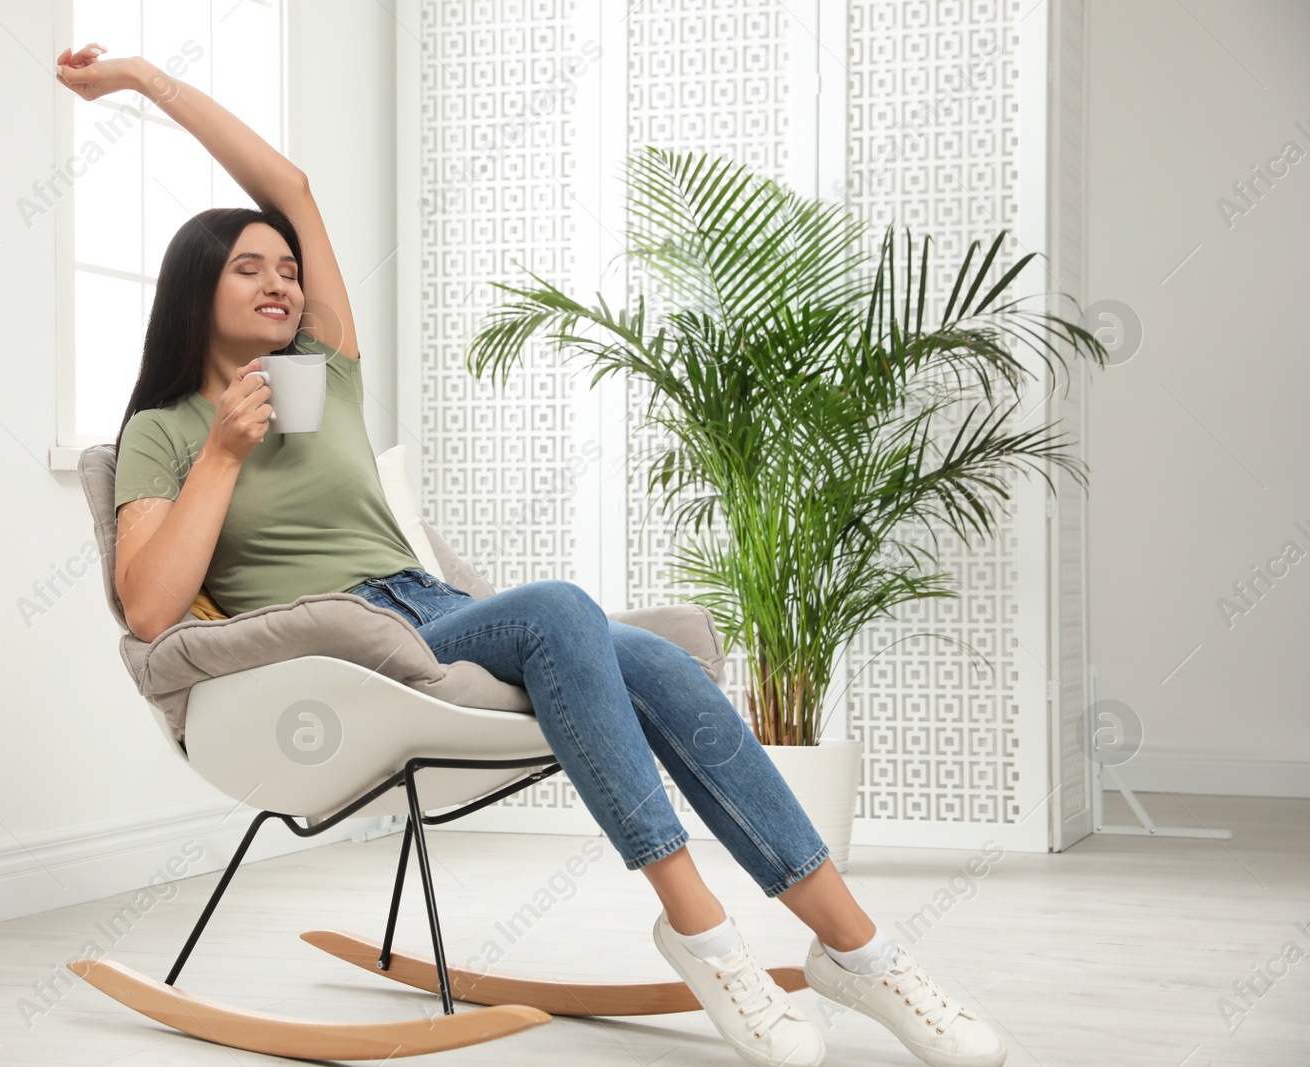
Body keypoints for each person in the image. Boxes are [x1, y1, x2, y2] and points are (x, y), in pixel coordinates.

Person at [59, 42, 1007, 1067]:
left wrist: (149, 84)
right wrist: (227, 453)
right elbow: (152, 611)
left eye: (287, 267)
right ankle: (702, 932)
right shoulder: (164, 429)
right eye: (249, 267)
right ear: (196, 291)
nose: (281, 281)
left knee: (652, 661)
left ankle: (858, 951)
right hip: (345, 645)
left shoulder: (325, 373)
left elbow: (289, 187)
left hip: (425, 605)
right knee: (564, 610)